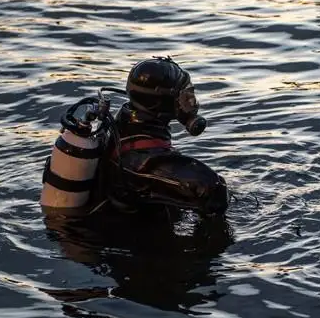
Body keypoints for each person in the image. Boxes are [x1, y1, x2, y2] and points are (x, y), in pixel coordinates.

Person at [41, 56, 229, 219]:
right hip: (127, 244)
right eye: (184, 98)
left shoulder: (122, 125)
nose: (191, 104)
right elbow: (211, 190)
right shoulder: (140, 160)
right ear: (162, 102)